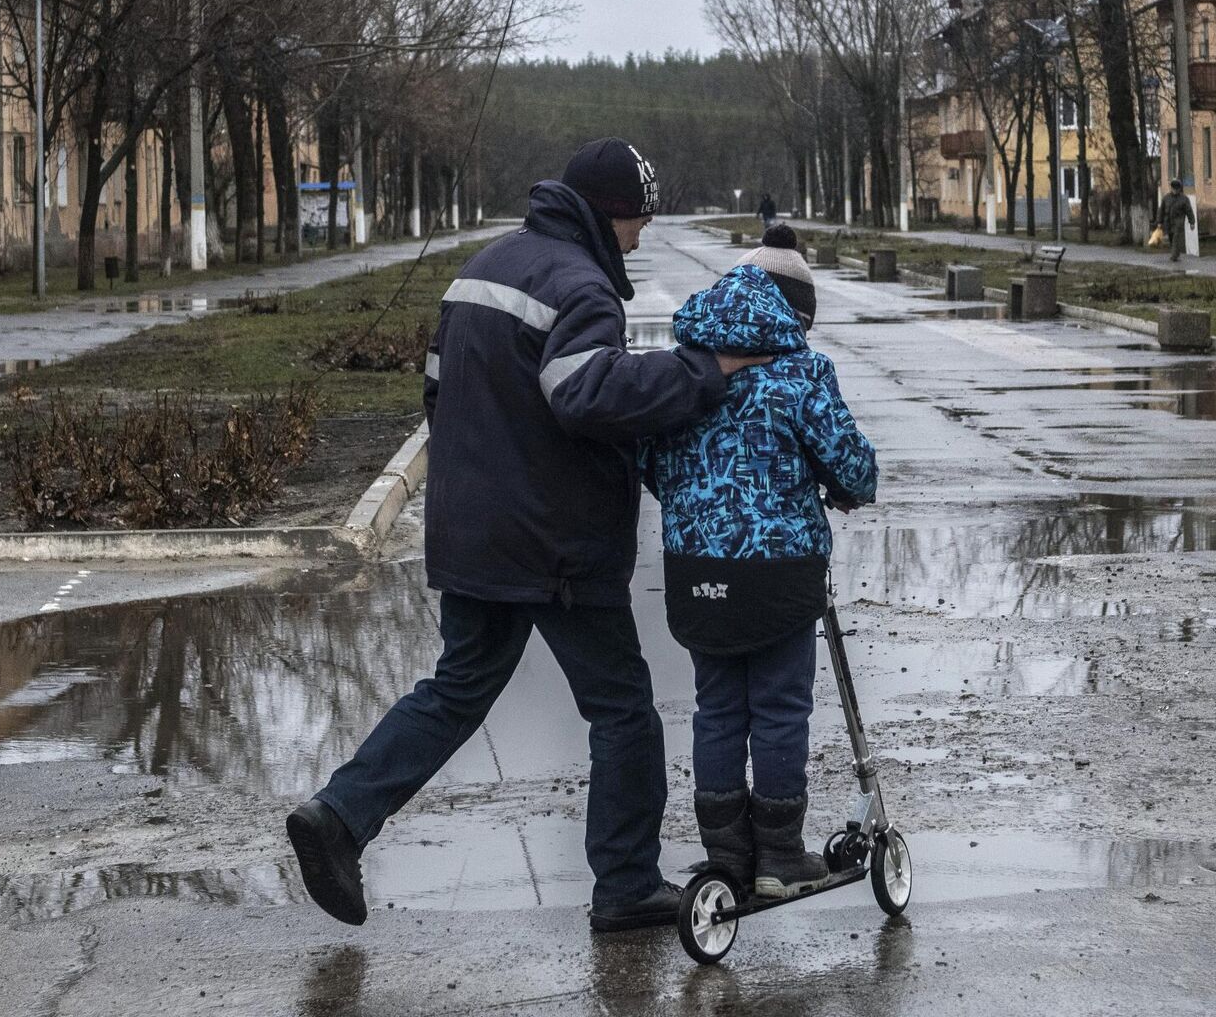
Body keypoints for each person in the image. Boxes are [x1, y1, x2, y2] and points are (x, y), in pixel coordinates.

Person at [286, 139, 767, 934]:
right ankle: (625, 887)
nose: (642, 239)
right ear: (613, 216)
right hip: (552, 542)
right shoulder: (580, 285)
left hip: (475, 529)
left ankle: (338, 816)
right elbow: (584, 392)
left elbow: (438, 391)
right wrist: (703, 373)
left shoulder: (486, 266)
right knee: (623, 712)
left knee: (455, 690)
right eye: (640, 224)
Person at [648, 227, 877, 901]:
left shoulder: (685, 367)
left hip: (697, 572)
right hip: (779, 573)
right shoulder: (801, 372)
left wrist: (697, 503)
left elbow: (651, 461)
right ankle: (780, 855)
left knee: (717, 708)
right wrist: (834, 486)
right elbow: (855, 469)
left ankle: (725, 857)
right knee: (778, 709)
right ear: (796, 316)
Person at [1155, 178, 1193, 265]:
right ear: (1171, 188)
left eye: (1177, 188)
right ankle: (1176, 253)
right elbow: (1161, 210)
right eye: (1173, 188)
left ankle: (1174, 256)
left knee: (1176, 237)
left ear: (1179, 189)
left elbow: (1189, 211)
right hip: (1168, 222)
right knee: (1172, 238)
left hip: (1179, 221)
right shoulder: (1166, 198)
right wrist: (1159, 222)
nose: (1175, 190)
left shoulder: (1184, 199)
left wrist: (1192, 222)